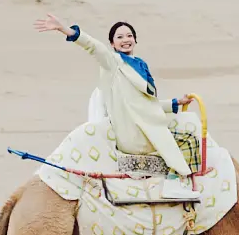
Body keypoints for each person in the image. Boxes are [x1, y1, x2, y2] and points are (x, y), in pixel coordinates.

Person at [34, 13, 193, 176]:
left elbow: (144, 105)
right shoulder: (113, 63)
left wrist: (176, 103)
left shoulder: (140, 65)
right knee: (190, 136)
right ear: (112, 43)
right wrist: (64, 29)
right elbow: (94, 47)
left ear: (135, 40)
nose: (126, 40)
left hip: (144, 125)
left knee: (186, 127)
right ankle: (178, 180)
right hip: (134, 133)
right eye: (120, 37)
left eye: (129, 35)